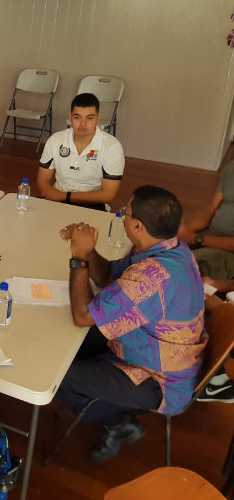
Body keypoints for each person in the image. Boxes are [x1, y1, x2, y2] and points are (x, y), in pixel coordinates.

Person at [56, 185, 207, 463]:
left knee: (56, 377)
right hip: (154, 349)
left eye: (125, 212)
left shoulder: (150, 277)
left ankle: (119, 423)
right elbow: (109, 278)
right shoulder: (171, 248)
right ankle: (112, 399)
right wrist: (88, 250)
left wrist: (77, 259)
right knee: (62, 345)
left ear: (137, 225)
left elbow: (82, 316)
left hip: (159, 379)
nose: (122, 215)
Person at [37, 93, 125, 210]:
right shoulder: (55, 140)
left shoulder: (112, 147)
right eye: (77, 117)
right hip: (57, 197)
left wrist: (65, 196)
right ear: (70, 117)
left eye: (90, 118)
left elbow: (108, 194)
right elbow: (43, 179)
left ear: (98, 118)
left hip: (92, 203)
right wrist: (49, 193)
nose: (83, 124)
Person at [177, 160, 234, 278]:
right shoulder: (231, 168)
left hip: (229, 251)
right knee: (161, 247)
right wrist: (186, 229)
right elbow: (210, 209)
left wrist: (196, 239)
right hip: (210, 235)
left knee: (181, 265)